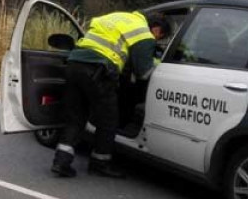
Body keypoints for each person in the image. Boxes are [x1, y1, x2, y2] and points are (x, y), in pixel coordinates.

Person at [51, 11, 170, 178]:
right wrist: (159, 65)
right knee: (108, 119)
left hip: (74, 64)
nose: (157, 40)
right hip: (98, 71)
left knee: (76, 116)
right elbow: (143, 72)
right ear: (156, 29)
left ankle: (60, 162)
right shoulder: (143, 33)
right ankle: (100, 163)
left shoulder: (118, 16)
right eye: (160, 36)